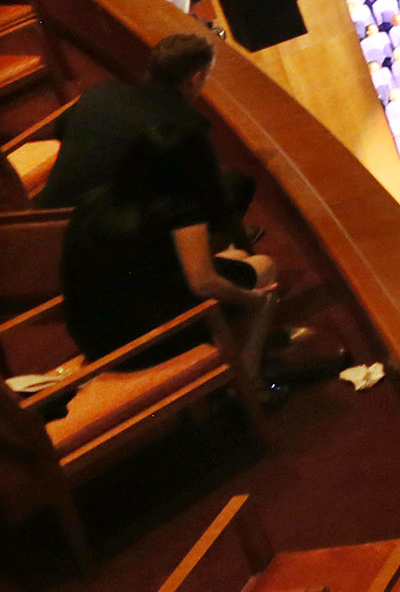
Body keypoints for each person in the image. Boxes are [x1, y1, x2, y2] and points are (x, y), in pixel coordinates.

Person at [58, 134, 284, 403]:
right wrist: (252, 299)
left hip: (94, 339)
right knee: (264, 272)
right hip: (142, 347)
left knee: (235, 255)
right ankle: (249, 386)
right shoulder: (182, 205)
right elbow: (203, 283)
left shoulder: (95, 199)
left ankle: (241, 357)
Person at [37, 35, 251, 233]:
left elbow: (61, 129)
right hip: (104, 233)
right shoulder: (187, 123)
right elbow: (211, 200)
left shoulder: (103, 90)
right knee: (239, 185)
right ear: (195, 78)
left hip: (42, 217)